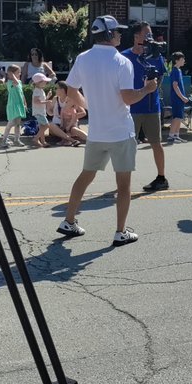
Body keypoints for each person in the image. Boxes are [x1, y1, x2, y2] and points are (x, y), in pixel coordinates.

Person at [58, 15, 157, 244]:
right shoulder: (122, 62)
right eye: (118, 32)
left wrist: (88, 105)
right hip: (120, 131)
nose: (121, 35)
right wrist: (147, 90)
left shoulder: (83, 58)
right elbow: (128, 98)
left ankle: (69, 220)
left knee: (85, 176)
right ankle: (120, 231)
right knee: (123, 185)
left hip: (97, 132)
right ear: (110, 35)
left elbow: (71, 88)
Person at [122, 21, 169, 192]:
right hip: (131, 107)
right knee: (129, 145)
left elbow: (162, 75)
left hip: (152, 107)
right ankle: (124, 180)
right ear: (136, 36)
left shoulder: (156, 56)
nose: (150, 38)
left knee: (156, 143)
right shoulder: (125, 57)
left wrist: (154, 86)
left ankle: (161, 178)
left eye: (150, 34)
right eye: (146, 34)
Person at [2, 63, 28, 146]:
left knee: (17, 124)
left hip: (19, 105)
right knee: (11, 123)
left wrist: (25, 103)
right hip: (13, 105)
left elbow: (21, 93)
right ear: (11, 74)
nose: (19, 74)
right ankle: (4, 140)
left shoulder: (19, 82)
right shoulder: (10, 82)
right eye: (18, 72)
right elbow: (15, 82)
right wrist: (11, 74)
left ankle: (17, 139)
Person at [168, 51, 190, 143]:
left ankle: (176, 135)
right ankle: (171, 136)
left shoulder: (179, 70)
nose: (184, 61)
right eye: (182, 59)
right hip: (176, 98)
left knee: (180, 117)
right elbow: (175, 86)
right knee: (176, 117)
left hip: (179, 98)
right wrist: (182, 97)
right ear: (176, 61)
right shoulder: (175, 71)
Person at [30, 72, 52, 148]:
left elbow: (41, 100)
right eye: (44, 81)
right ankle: (36, 138)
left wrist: (47, 97)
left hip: (41, 112)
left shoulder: (40, 90)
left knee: (42, 127)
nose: (46, 82)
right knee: (46, 125)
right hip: (39, 112)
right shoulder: (37, 91)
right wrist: (47, 101)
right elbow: (36, 101)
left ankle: (43, 141)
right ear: (39, 82)